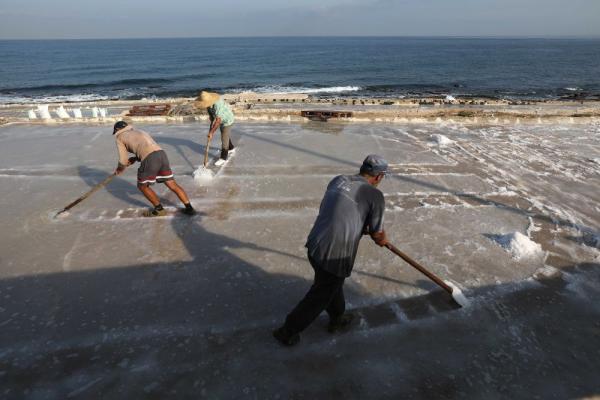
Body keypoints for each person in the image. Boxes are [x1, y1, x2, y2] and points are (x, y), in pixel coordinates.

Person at [273, 155, 389, 346]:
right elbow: (378, 234)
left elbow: (337, 209)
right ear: (378, 176)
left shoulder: (339, 179)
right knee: (320, 295)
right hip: (335, 254)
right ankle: (287, 331)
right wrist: (383, 240)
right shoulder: (375, 196)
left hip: (315, 243)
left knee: (331, 286)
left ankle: (337, 319)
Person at [112, 121, 195, 217]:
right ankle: (189, 208)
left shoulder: (120, 137)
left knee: (142, 186)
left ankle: (159, 209)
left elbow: (123, 160)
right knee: (172, 184)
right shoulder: (140, 131)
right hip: (161, 154)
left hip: (150, 159)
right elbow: (148, 146)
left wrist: (120, 169)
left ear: (117, 130)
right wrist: (135, 158)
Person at [195, 91, 235, 166]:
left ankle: (223, 157)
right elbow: (213, 118)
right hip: (220, 119)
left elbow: (218, 121)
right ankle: (231, 148)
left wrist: (211, 133)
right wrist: (210, 130)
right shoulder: (208, 106)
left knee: (224, 137)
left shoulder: (217, 104)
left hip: (227, 120)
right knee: (224, 134)